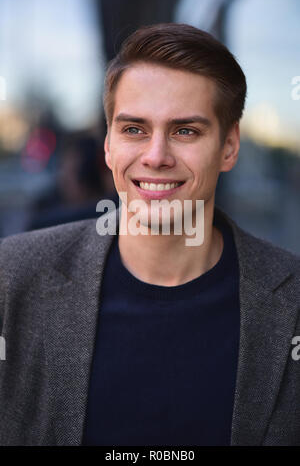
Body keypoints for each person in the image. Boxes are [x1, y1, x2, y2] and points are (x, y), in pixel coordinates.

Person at [0, 23, 299, 447]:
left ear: (229, 147)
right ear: (108, 146)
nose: (156, 156)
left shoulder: (292, 300)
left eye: (185, 131)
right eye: (134, 129)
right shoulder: (12, 279)